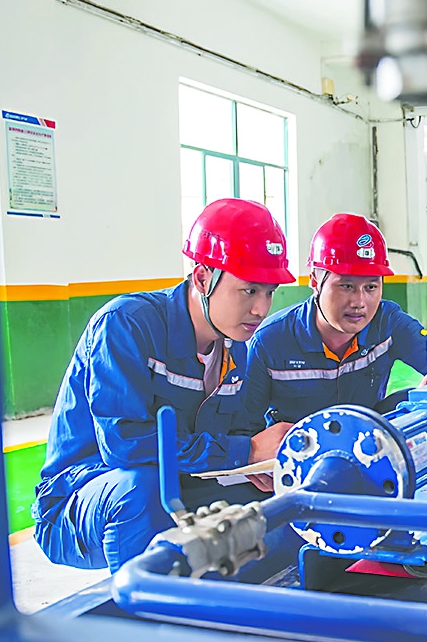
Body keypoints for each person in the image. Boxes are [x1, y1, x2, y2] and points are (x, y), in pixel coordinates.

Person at [31, 199, 296, 572]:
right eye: (249, 291)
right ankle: (145, 602)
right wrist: (244, 451)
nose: (261, 309)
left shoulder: (235, 348)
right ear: (202, 278)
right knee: (139, 489)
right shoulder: (127, 325)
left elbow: (230, 439)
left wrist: (255, 463)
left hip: (176, 485)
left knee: (269, 504)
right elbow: (124, 445)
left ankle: (247, 595)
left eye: (269, 292)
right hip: (81, 502)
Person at [242, 213, 427, 434]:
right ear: (315, 282)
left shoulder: (388, 323)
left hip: (367, 444)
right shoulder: (270, 342)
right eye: (346, 286)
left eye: (371, 287)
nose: (359, 302)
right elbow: (245, 428)